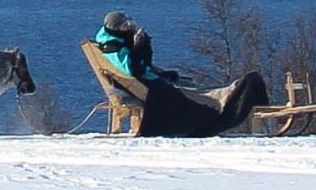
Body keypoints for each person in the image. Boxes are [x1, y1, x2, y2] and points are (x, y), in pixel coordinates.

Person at [92, 9, 265, 138]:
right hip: (148, 87)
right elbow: (132, 69)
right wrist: (139, 46)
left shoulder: (119, 42)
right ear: (116, 29)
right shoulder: (112, 47)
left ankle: (230, 92)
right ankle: (230, 98)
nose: (129, 27)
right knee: (194, 99)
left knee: (189, 84)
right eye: (124, 26)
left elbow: (142, 65)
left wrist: (147, 51)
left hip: (150, 81)